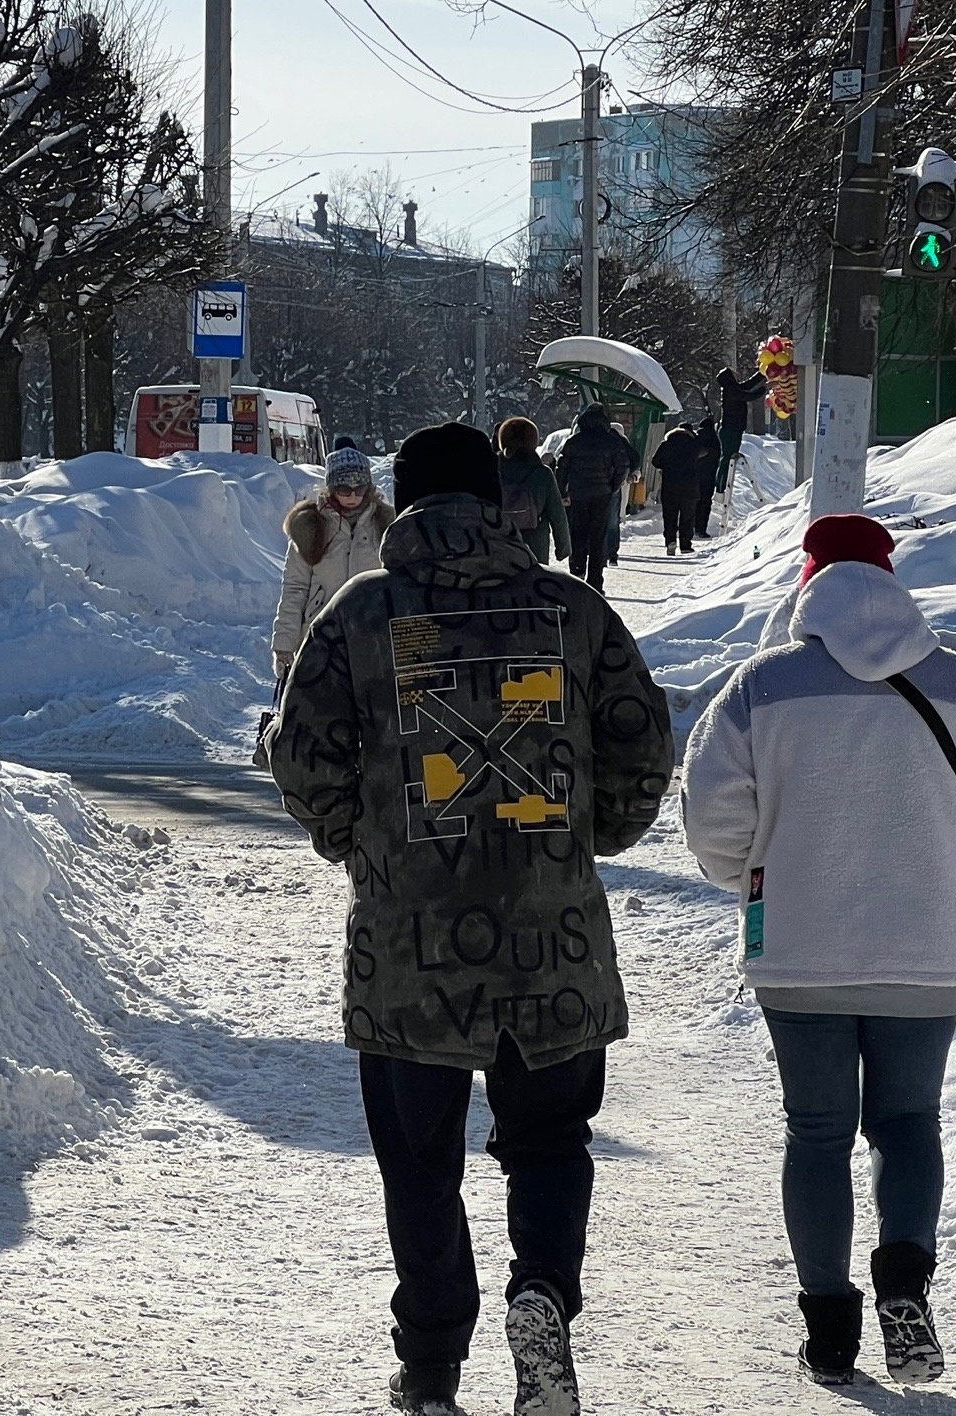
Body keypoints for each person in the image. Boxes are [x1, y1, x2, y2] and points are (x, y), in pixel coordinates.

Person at [267, 423, 673, 1416]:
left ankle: (434, 1359)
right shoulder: (570, 609)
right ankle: (540, 1293)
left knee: (418, 1161)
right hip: (554, 940)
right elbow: (641, 744)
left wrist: (356, 846)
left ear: (403, 505)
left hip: (411, 948)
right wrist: (588, 842)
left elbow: (302, 757)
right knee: (548, 1141)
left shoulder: (364, 614)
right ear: (497, 503)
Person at [681, 515, 956, 1389]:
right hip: (927, 946)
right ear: (893, 580)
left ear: (808, 583)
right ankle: (906, 1284)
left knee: (817, 1131)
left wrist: (755, 877)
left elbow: (711, 811)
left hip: (800, 948)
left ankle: (830, 1326)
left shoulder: (763, 686)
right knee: (910, 1122)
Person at [272, 438, 394, 682]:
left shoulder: (384, 523)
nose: (352, 496)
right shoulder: (310, 526)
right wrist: (284, 644)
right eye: (344, 489)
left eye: (359, 489)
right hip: (320, 635)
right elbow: (295, 588)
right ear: (330, 487)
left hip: (372, 634)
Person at [555, 405, 635, 590]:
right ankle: (595, 581)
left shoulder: (574, 441)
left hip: (578, 493)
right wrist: (613, 486)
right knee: (598, 537)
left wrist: (563, 491)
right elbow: (623, 466)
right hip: (602, 494)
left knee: (578, 532)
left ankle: (577, 572)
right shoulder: (611, 441)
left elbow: (562, 468)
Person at [494, 417, 571, 568]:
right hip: (535, 542)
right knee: (532, 584)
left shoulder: (491, 470)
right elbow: (557, 514)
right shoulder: (542, 473)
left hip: (498, 539)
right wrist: (563, 548)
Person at [649, 420, 703, 556]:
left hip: (670, 485)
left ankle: (670, 541)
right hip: (689, 486)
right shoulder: (693, 444)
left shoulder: (666, 444)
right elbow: (704, 455)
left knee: (670, 515)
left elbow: (655, 461)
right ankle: (685, 544)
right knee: (687, 516)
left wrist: (667, 466)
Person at [690, 418, 725, 541]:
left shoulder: (695, 438)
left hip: (695, 476)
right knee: (705, 503)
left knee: (693, 502)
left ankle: (690, 527)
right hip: (709, 476)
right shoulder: (715, 440)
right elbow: (718, 456)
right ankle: (701, 529)